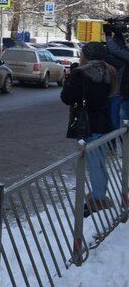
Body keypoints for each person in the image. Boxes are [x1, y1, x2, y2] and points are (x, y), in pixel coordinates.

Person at [61, 42, 118, 211]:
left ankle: (98, 200)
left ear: (86, 55)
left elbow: (67, 98)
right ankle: (100, 194)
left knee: (94, 164)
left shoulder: (81, 74)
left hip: (87, 125)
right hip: (103, 122)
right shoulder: (109, 71)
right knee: (99, 163)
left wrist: (69, 79)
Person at [106, 29, 129, 126]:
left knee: (121, 123)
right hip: (121, 93)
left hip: (122, 94)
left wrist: (108, 36)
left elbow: (114, 50)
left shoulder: (123, 55)